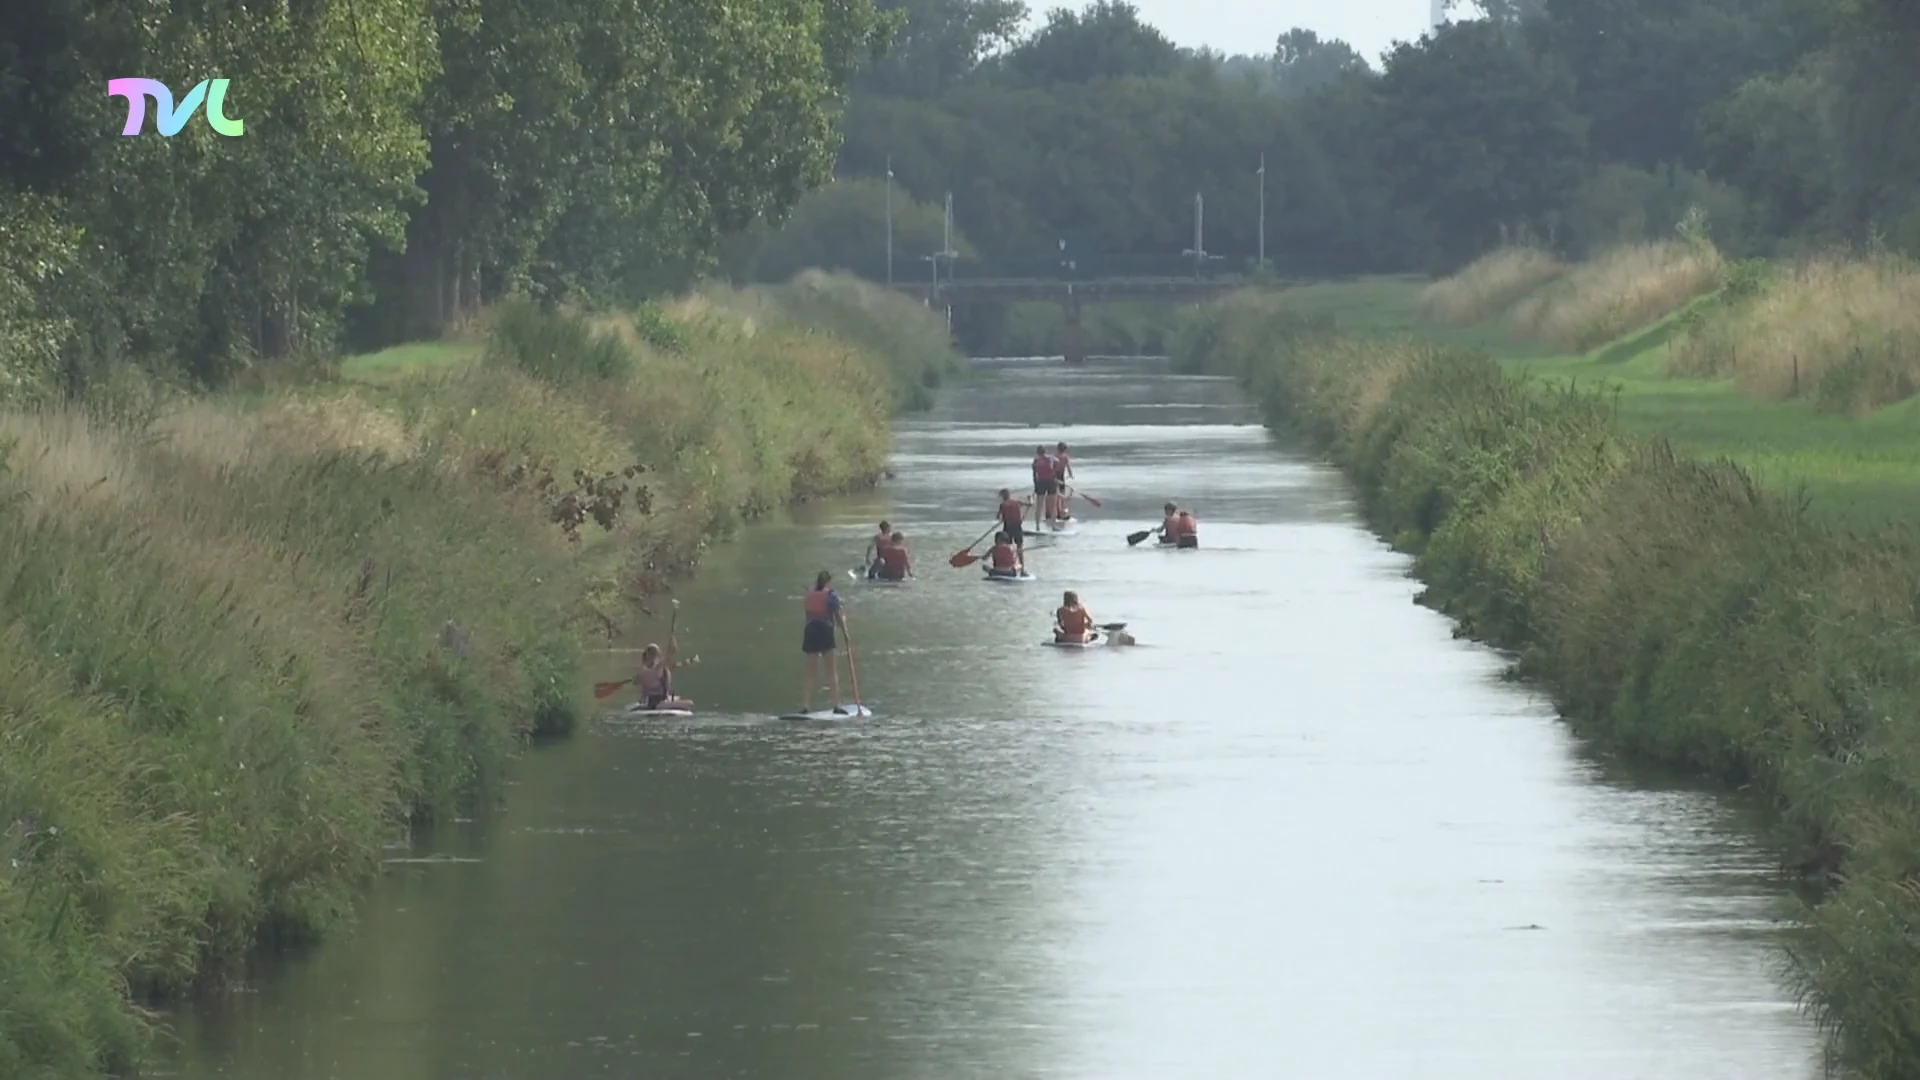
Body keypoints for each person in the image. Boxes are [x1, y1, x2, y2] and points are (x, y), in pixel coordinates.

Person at [801, 570, 852, 714]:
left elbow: (808, 616)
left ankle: (806, 706)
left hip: (810, 632)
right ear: (828, 582)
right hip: (825, 632)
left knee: (810, 673)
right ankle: (836, 705)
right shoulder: (831, 596)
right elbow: (838, 618)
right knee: (831, 671)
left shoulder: (809, 596)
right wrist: (846, 634)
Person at [635, 641, 693, 711]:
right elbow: (669, 655)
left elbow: (636, 682)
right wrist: (672, 644)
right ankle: (665, 704)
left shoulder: (641, 669)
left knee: (676, 698)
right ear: (656, 655)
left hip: (646, 700)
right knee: (690, 703)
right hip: (658, 702)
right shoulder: (659, 668)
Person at [996, 487, 1030, 552]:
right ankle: (1021, 561)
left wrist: (1003, 518)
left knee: (1008, 546)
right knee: (1019, 546)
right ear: (1009, 495)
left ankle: (1009, 559)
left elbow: (997, 517)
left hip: (1008, 527)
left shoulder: (1002, 505)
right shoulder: (1017, 502)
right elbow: (1029, 504)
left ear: (1002, 497)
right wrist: (1030, 499)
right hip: (1017, 526)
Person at [1030, 445, 1055, 530]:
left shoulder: (1036, 461)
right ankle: (1053, 525)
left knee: (1039, 505)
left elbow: (1034, 474)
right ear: (1045, 451)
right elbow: (1055, 466)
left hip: (1040, 482)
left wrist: (1035, 485)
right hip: (1050, 482)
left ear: (1037, 452)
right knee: (1052, 505)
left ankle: (1037, 526)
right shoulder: (1050, 458)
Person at [1050, 442, 1075, 523]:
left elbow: (1051, 468)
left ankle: (1059, 513)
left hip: (1055, 477)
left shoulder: (1054, 457)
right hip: (1060, 477)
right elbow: (1068, 467)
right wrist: (1070, 474)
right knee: (1062, 495)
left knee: (1057, 496)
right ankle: (1062, 513)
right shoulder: (1065, 457)